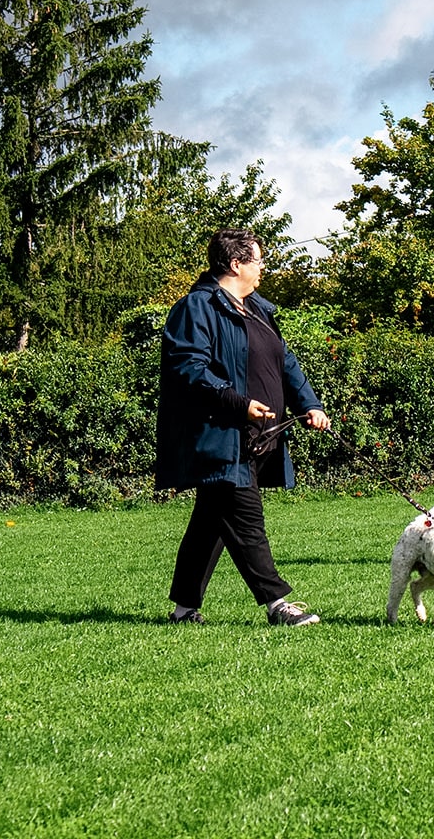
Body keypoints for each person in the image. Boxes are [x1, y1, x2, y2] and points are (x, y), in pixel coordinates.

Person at [155, 228, 331, 626]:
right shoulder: (196, 308)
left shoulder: (260, 310)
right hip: (221, 436)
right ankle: (278, 603)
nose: (264, 267)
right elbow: (189, 368)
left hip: (260, 436)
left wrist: (311, 404)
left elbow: (285, 365)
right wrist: (238, 403)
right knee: (245, 515)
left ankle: (184, 610)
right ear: (236, 264)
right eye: (258, 260)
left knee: (210, 524)